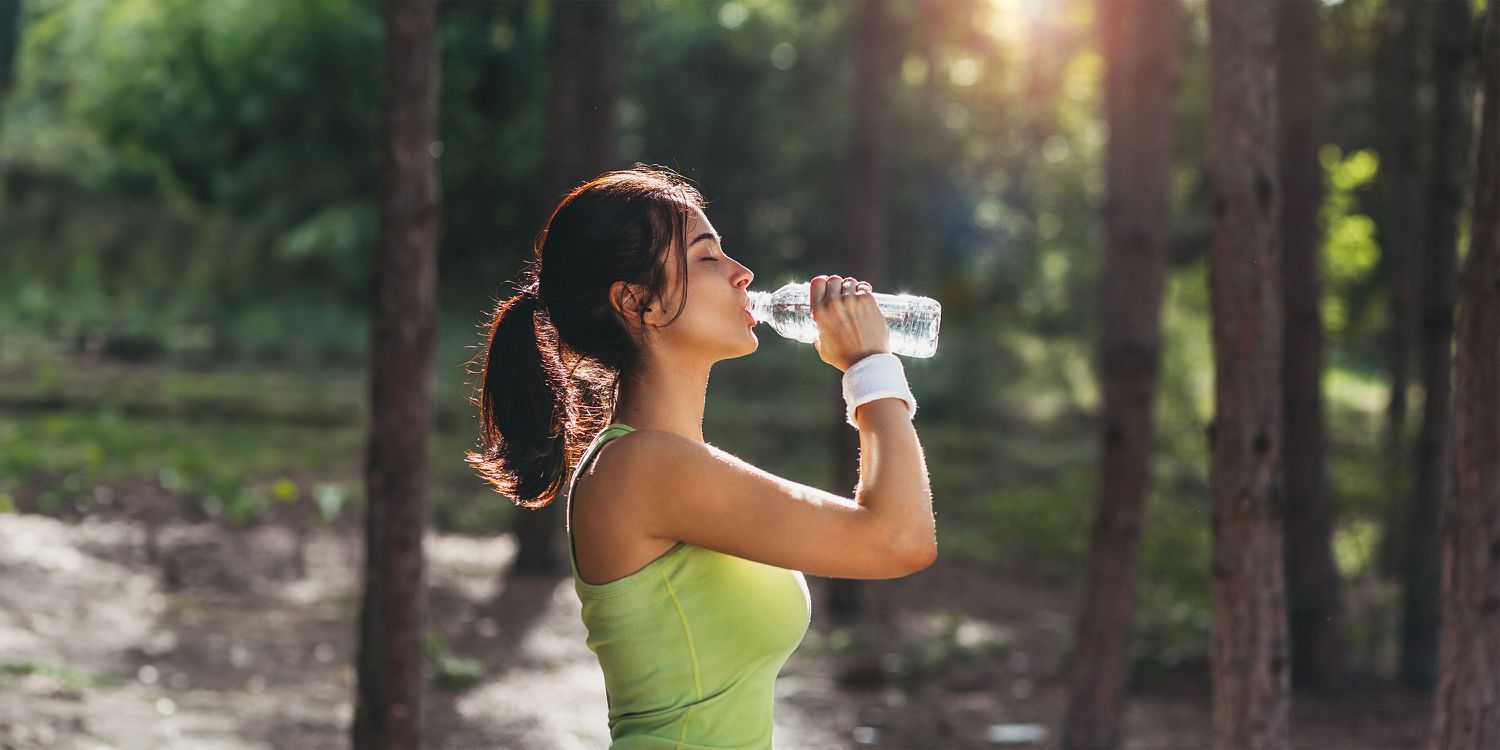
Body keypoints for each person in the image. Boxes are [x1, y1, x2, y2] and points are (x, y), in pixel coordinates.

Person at [468, 165, 936, 748]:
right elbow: (898, 539)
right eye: (708, 258)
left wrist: (871, 369)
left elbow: (888, 531)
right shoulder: (644, 467)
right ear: (638, 302)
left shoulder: (667, 463)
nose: (744, 275)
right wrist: (869, 365)